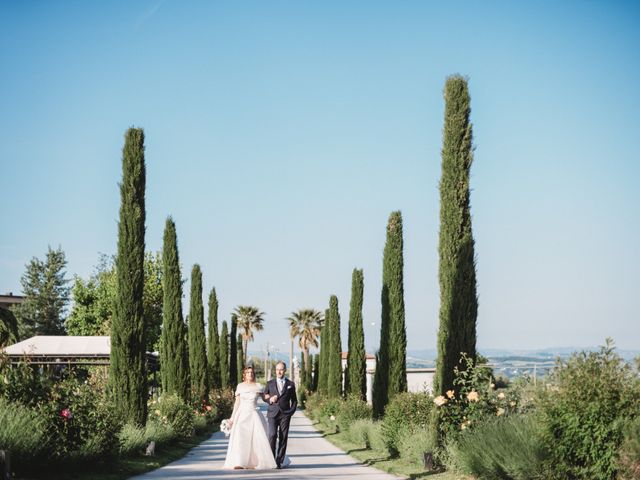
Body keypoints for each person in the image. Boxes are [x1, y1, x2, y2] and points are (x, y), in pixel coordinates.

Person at [223, 366, 277, 470]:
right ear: (244, 375)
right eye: (248, 372)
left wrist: (272, 398)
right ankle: (239, 462)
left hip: (254, 414)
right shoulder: (240, 386)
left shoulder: (258, 386)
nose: (250, 374)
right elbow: (237, 403)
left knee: (256, 439)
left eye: (252, 372)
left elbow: (265, 397)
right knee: (241, 438)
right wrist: (232, 418)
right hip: (242, 415)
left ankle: (256, 461)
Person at [263, 361, 297, 469]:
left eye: (281, 369)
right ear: (275, 370)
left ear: (285, 370)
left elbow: (294, 401)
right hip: (272, 413)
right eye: (277, 369)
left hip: (285, 415)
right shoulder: (270, 383)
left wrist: (290, 412)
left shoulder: (290, 384)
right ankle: (271, 458)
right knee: (272, 435)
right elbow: (264, 396)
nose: (279, 371)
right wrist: (269, 400)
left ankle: (279, 461)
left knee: (283, 437)